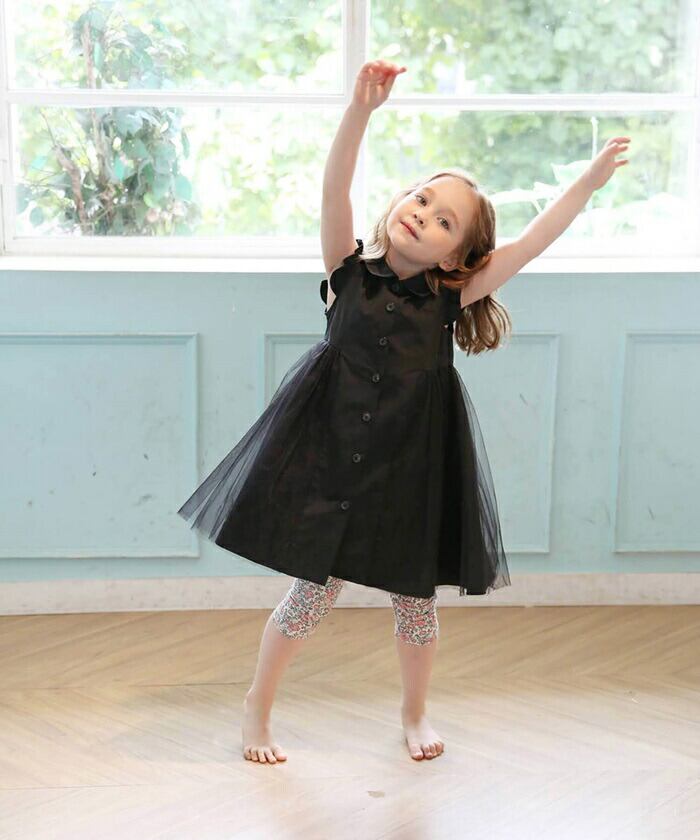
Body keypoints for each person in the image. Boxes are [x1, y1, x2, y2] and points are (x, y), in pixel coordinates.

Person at [177, 59, 631, 765]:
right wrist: (360, 111)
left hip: (409, 471)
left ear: (458, 257)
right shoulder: (346, 272)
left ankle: (414, 712)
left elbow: (534, 241)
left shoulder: (451, 298)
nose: (424, 214)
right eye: (422, 199)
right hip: (332, 461)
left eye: (445, 220)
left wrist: (587, 183)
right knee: (309, 597)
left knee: (416, 606)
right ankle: (256, 709)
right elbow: (334, 186)